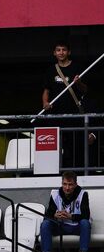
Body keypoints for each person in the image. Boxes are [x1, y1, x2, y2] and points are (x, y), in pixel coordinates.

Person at [43, 41, 90, 171]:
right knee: (57, 146)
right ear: (54, 53)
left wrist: (79, 83)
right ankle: (56, 171)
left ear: (69, 52)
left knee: (75, 145)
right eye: (58, 50)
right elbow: (46, 90)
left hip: (74, 115)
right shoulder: (50, 70)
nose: (61, 52)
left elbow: (85, 90)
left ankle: (75, 171)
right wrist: (45, 103)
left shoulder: (77, 67)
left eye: (64, 50)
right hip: (55, 115)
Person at [39, 172, 91, 252]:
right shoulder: (55, 194)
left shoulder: (83, 194)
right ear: (62, 184)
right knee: (45, 223)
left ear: (75, 185)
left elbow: (86, 216)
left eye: (70, 185)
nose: (67, 188)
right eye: (65, 184)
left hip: (76, 227)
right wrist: (55, 215)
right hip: (60, 226)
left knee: (85, 223)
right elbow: (48, 215)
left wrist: (70, 216)